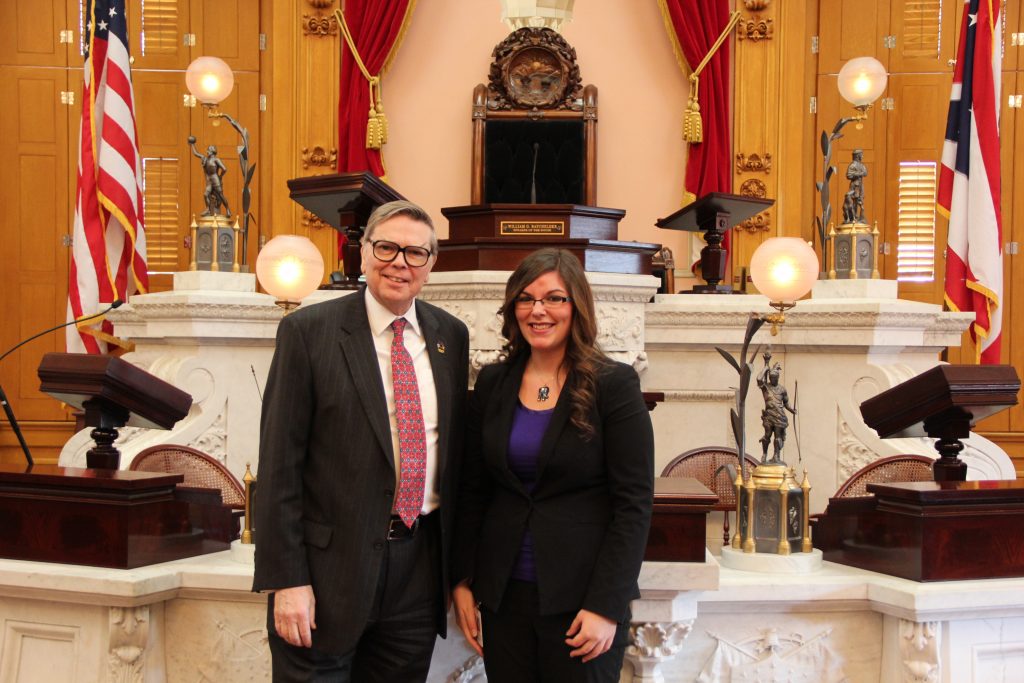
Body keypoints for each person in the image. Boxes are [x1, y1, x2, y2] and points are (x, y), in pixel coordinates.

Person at [253, 200, 469, 682]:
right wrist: (287, 579)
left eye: (416, 253)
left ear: (431, 265)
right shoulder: (308, 333)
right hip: (327, 574)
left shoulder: (449, 336)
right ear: (365, 253)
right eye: (387, 247)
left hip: (418, 569)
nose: (400, 263)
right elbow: (279, 466)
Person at [452, 248, 654, 682]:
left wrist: (605, 605)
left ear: (576, 306)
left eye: (554, 298)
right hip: (504, 596)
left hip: (582, 603)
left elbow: (633, 506)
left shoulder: (613, 384)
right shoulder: (492, 383)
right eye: (525, 299)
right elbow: (473, 490)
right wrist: (463, 580)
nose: (538, 310)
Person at [757, 351, 796, 464]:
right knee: (767, 435)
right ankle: (764, 454)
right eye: (771, 377)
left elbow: (786, 403)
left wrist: (791, 410)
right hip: (769, 416)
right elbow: (759, 379)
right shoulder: (766, 387)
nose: (773, 379)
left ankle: (776, 456)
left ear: (778, 378)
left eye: (775, 378)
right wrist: (766, 365)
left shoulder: (782, 389)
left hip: (780, 415)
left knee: (778, 436)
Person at [187, 137, 231, 217]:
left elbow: (224, 169)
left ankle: (228, 209)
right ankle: (207, 209)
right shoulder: (205, 159)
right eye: (207, 150)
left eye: (209, 150)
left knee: (221, 195)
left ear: (212, 152)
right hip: (209, 181)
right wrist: (192, 145)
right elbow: (196, 153)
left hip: (215, 179)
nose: (207, 152)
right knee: (205, 194)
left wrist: (220, 176)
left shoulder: (216, 160)